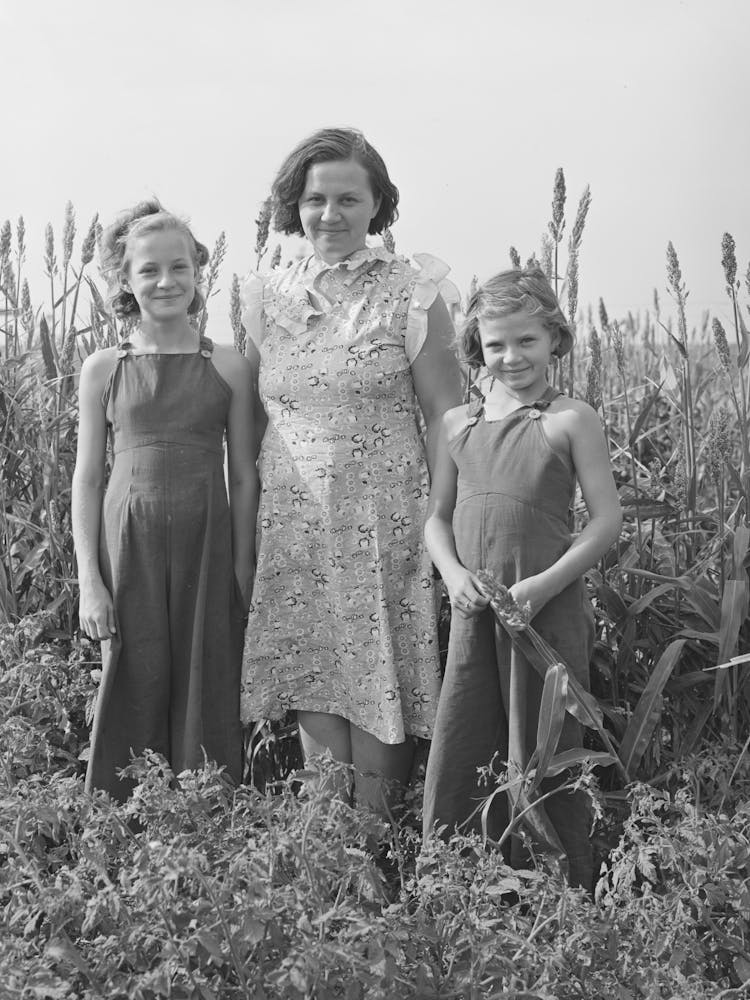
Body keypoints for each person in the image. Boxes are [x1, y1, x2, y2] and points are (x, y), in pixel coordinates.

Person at [240, 127, 462, 813]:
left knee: (381, 680)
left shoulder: (413, 292)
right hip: (293, 521)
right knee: (316, 677)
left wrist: (440, 526)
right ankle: (331, 861)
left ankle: (375, 855)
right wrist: (245, 533)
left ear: (378, 206)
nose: (328, 215)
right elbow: (248, 420)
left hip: (386, 519)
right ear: (293, 206)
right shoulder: (263, 294)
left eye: (347, 199)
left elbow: (443, 416)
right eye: (314, 200)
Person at [421, 267, 622, 888]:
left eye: (527, 341)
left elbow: (606, 523)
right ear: (475, 347)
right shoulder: (459, 424)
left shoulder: (569, 419)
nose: (511, 357)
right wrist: (451, 573)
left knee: (545, 734)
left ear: (555, 340)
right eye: (495, 344)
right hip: (477, 610)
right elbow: (437, 518)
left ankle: (559, 882)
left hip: (545, 608)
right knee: (468, 727)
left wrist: (543, 585)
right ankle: (458, 876)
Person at [72, 200, 258, 800]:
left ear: (198, 271)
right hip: (128, 550)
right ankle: (124, 828)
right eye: (149, 270)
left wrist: (243, 566)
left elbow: (246, 474)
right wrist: (89, 582)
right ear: (125, 281)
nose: (166, 282)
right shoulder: (104, 368)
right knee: (133, 677)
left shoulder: (226, 363)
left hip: (208, 543)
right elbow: (87, 478)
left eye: (179, 267)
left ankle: (204, 821)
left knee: (207, 682)